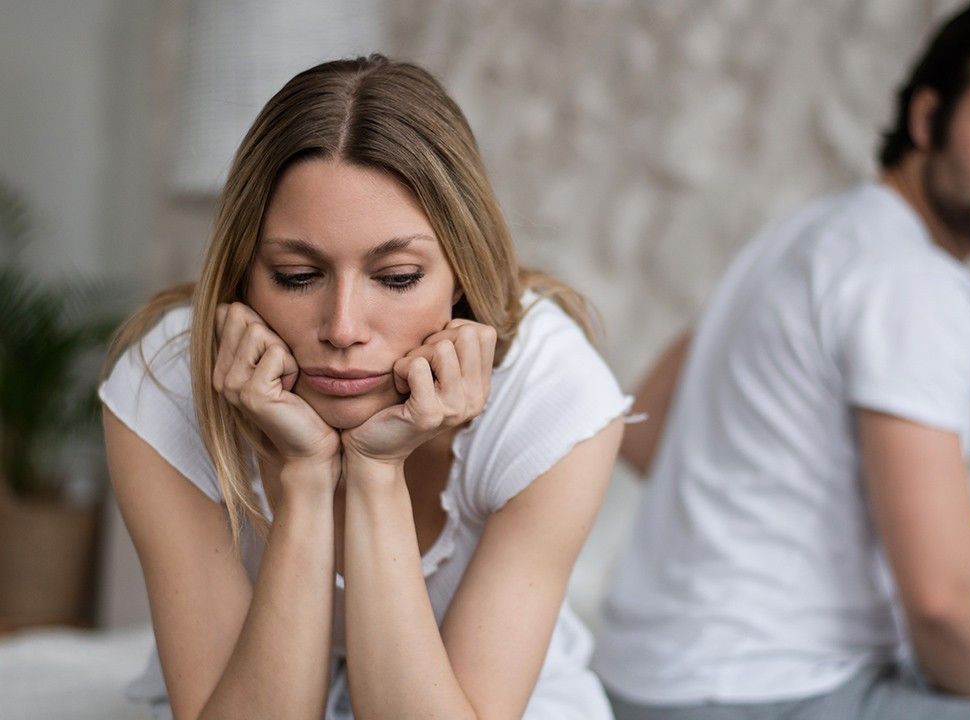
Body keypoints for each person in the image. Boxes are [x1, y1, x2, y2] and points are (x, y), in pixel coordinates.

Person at [593, 1, 970, 718]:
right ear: (928, 117)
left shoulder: (799, 237)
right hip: (764, 692)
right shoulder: (914, 280)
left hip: (636, 679)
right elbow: (943, 603)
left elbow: (645, 433)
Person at [100, 55, 630, 720]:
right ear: (242, 274)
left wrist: (377, 473)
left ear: (461, 274)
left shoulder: (552, 394)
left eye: (398, 277)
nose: (343, 328)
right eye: (297, 276)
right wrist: (306, 475)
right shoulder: (164, 383)